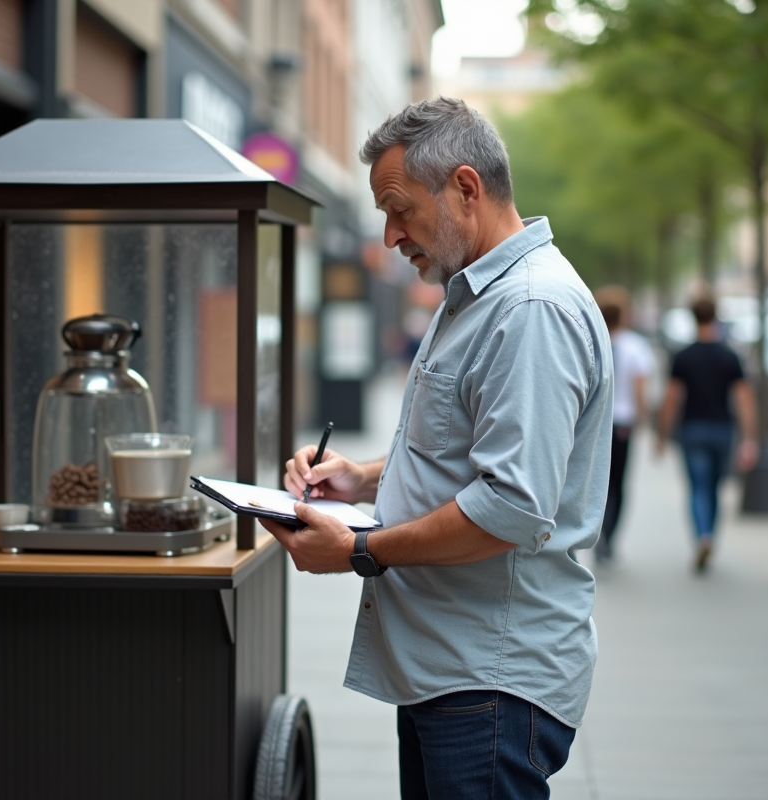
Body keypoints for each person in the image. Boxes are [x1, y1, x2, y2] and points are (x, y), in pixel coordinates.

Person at [261, 97, 613, 799]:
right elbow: (470, 457)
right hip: (451, 669)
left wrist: (359, 550)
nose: (390, 235)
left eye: (399, 209)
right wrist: (358, 479)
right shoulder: (477, 296)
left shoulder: (529, 311)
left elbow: (510, 504)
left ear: (465, 188)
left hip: (488, 681)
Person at [655, 296, 757, 572]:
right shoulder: (729, 355)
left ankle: (703, 536)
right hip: (722, 430)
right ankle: (710, 535)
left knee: (698, 487)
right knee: (714, 488)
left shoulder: (683, 356)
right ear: (715, 317)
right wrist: (749, 439)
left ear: (693, 317)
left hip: (692, 429)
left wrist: (662, 435)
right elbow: (744, 400)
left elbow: (672, 400)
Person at [594, 285, 655, 563]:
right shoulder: (636, 348)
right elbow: (640, 388)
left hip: (595, 423)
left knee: (597, 483)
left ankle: (598, 534)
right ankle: (608, 537)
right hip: (622, 425)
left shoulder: (591, 341)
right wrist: (643, 419)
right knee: (619, 484)